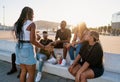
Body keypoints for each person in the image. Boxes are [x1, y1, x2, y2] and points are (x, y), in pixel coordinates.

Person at [14, 7, 44, 82]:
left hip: (19, 47)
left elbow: (21, 37)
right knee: (31, 74)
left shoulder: (17, 24)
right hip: (27, 49)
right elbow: (32, 41)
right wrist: (44, 47)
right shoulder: (31, 24)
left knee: (23, 71)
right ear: (28, 14)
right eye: (32, 14)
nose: (33, 16)